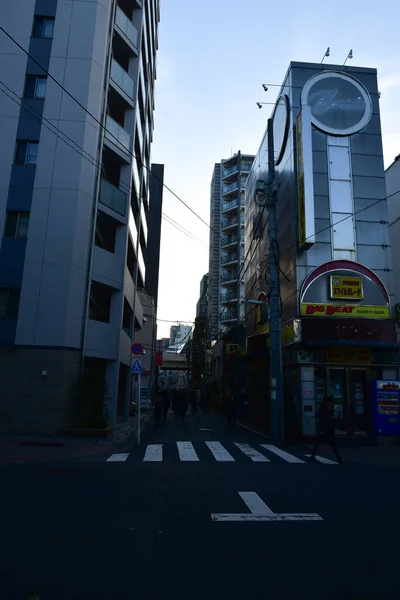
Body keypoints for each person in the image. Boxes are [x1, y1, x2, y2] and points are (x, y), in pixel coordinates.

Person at [311, 397, 346, 464]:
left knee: (319, 443)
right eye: (329, 402)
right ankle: (339, 459)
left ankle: (313, 455)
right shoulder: (323, 411)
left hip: (326, 430)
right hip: (326, 430)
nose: (331, 404)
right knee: (332, 444)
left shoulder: (327, 410)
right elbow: (322, 421)